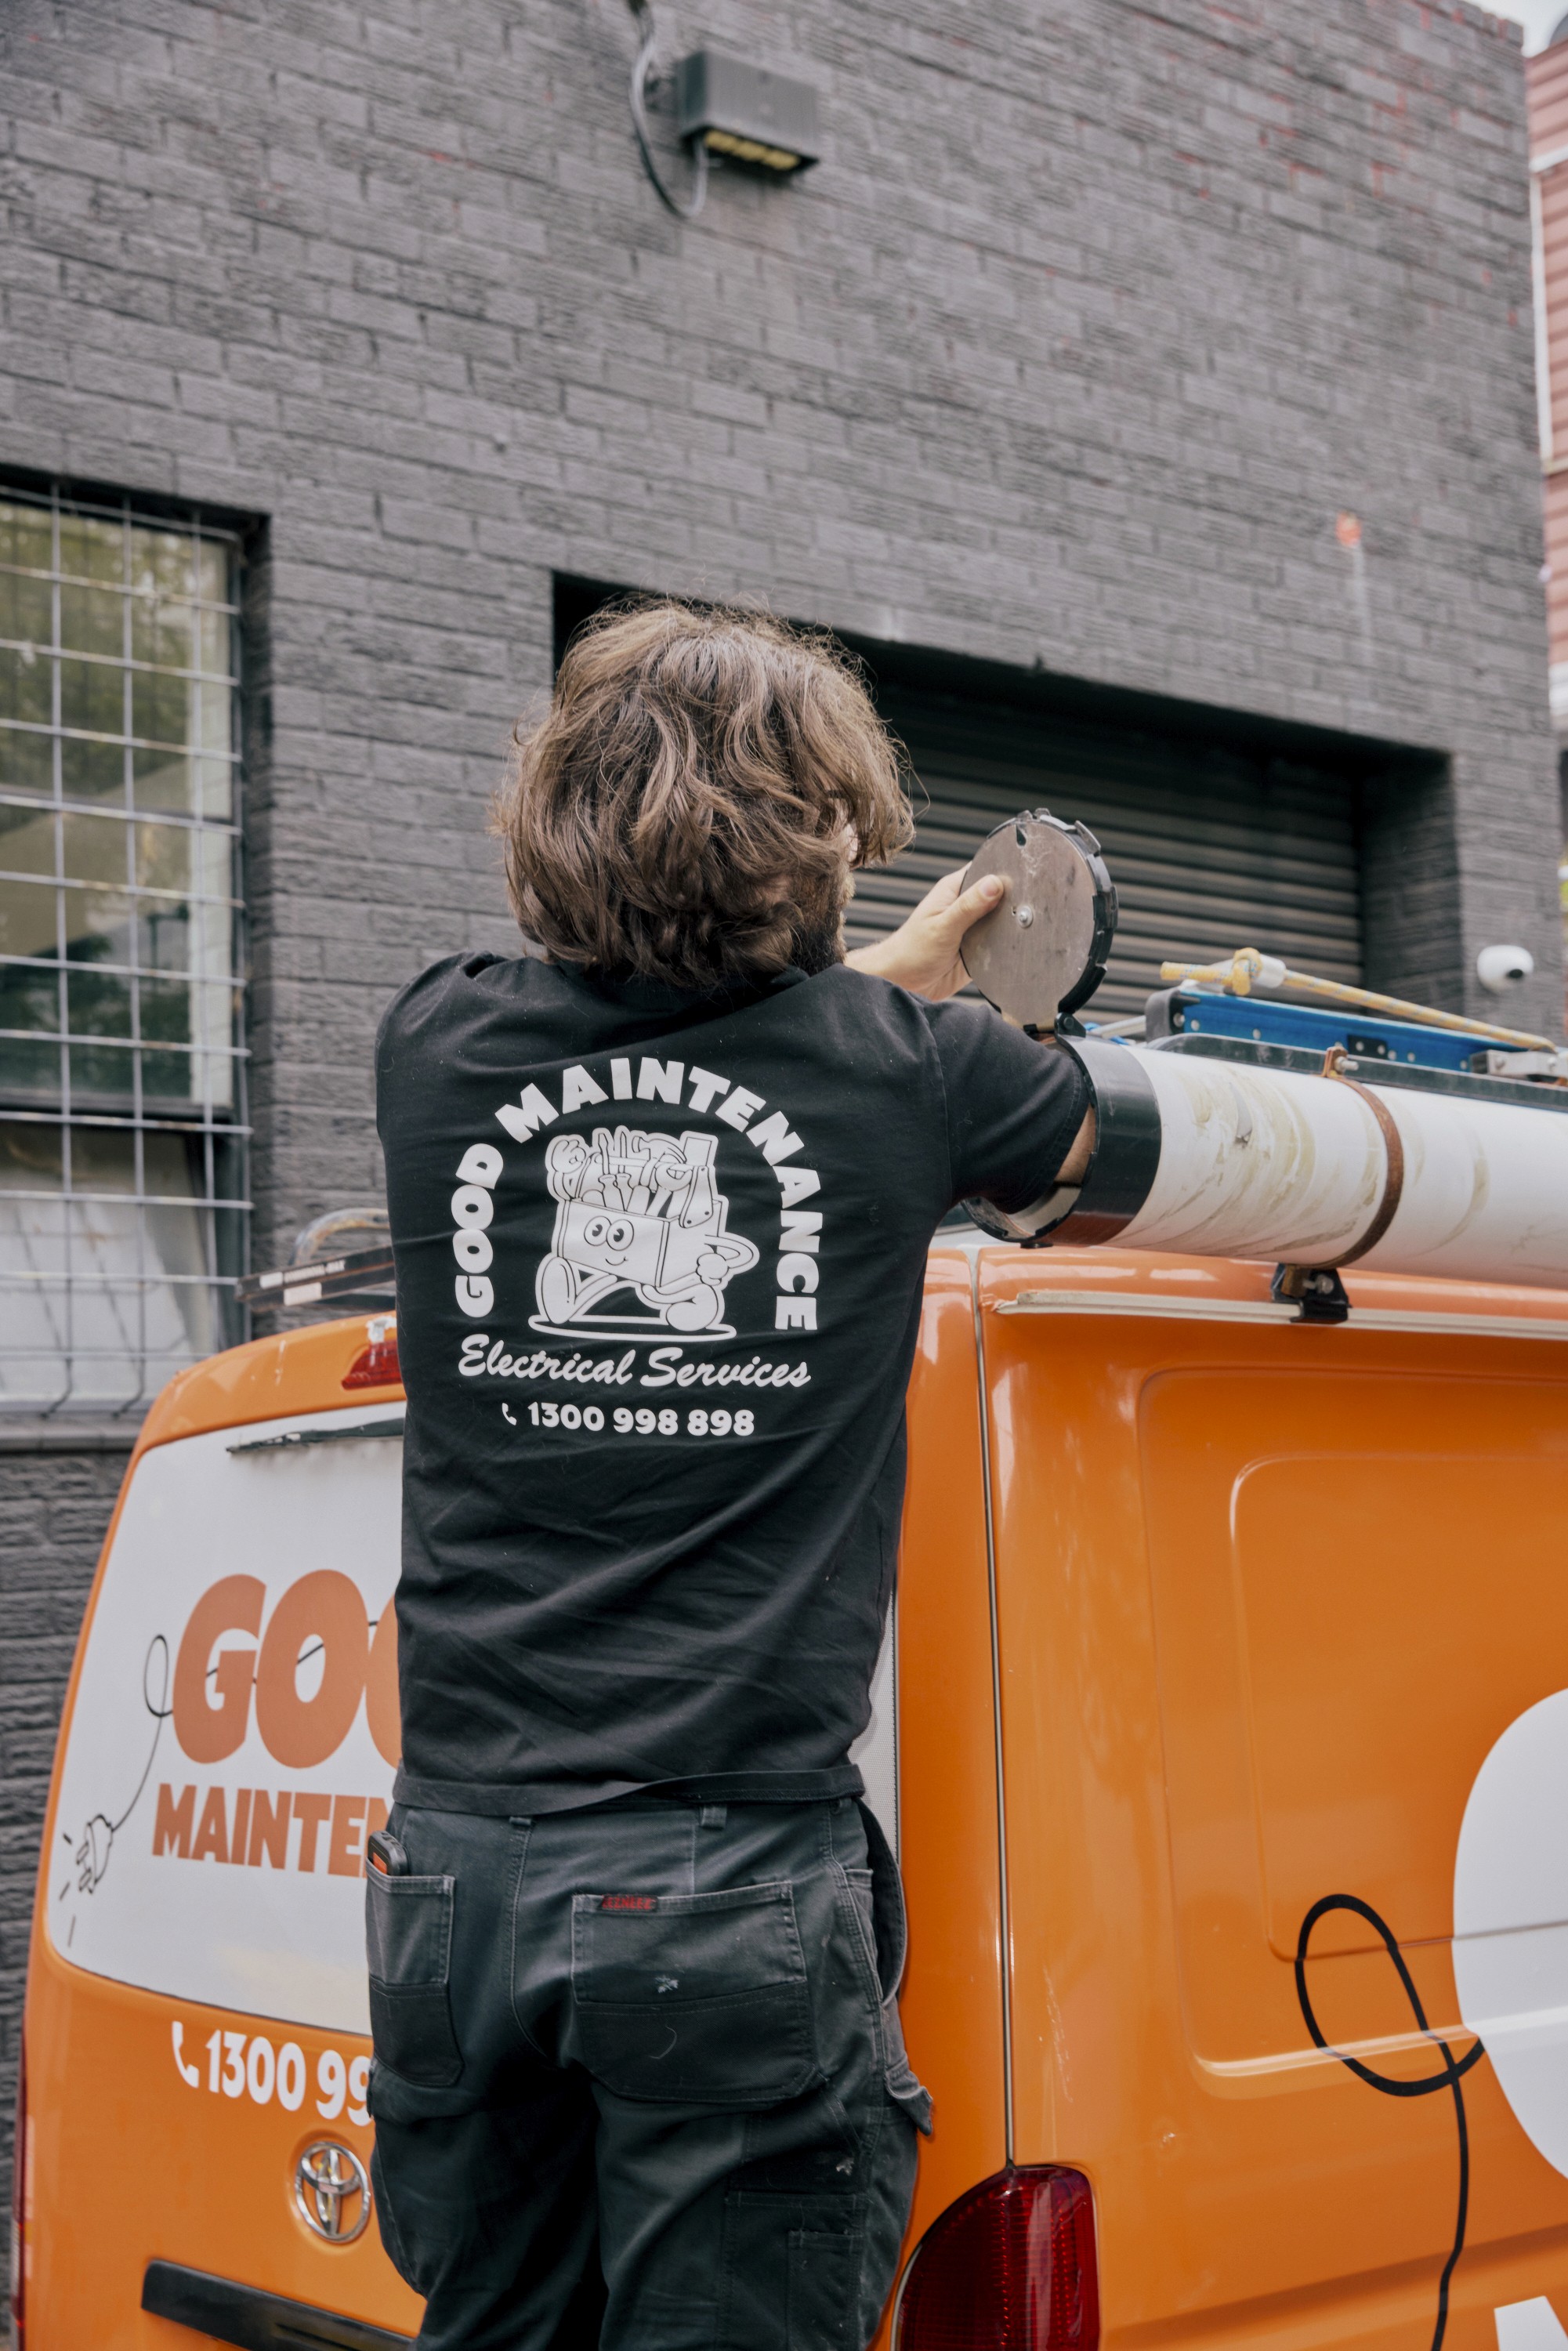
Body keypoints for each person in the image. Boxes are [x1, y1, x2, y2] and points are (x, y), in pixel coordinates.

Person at [369, 601, 1095, 2351]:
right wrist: (908, 997)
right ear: (816, 838)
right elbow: (1186, 1151)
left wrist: (869, 991)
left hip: (453, 1880)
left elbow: (711, 1050)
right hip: (723, 1884)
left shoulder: (434, 1043)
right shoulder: (924, 1079)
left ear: (555, 813)